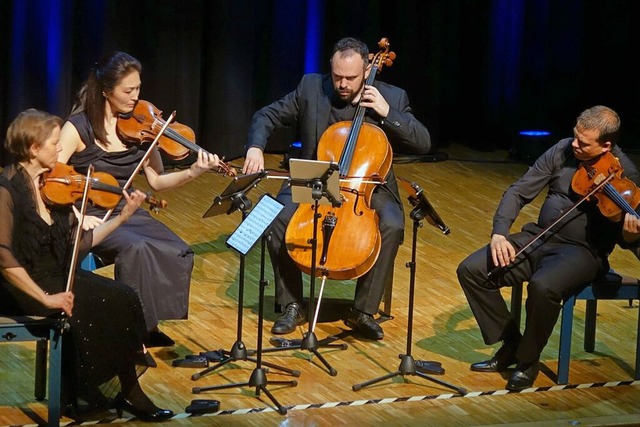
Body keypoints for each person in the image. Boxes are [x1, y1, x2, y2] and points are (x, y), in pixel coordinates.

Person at [242, 37, 431, 340]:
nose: (342, 84)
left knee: (393, 224)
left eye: (351, 78)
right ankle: (292, 304)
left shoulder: (391, 97)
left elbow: (423, 142)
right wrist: (255, 147)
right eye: (337, 76)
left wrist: (386, 113)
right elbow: (266, 115)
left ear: (368, 68)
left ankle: (363, 310)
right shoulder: (311, 88)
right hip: (317, 176)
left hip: (367, 186)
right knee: (276, 218)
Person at [0, 109, 174, 421]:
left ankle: (127, 392)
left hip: (55, 275)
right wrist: (45, 299)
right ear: (32, 149)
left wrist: (122, 217)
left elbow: (80, 244)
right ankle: (79, 394)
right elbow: (3, 257)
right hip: (20, 285)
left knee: (123, 297)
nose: (59, 149)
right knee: (91, 307)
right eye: (54, 143)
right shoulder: (7, 190)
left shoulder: (54, 183)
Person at [457, 105, 640, 391]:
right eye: (575, 137)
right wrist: (499, 234)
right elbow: (519, 190)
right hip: (540, 237)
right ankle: (512, 344)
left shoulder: (626, 177)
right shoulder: (562, 150)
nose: (575, 145)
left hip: (583, 253)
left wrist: (630, 235)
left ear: (607, 145)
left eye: (584, 143)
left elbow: (628, 240)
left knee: (543, 287)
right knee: (472, 270)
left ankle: (527, 361)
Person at [58, 51, 224, 347]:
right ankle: (129, 333)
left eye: (138, 89)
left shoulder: (142, 127)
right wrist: (78, 216)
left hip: (129, 209)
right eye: (128, 90)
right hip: (93, 211)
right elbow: (53, 178)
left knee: (175, 248)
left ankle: (145, 323)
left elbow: (157, 182)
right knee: (136, 249)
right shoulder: (78, 127)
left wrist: (195, 170)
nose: (136, 97)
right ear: (106, 91)